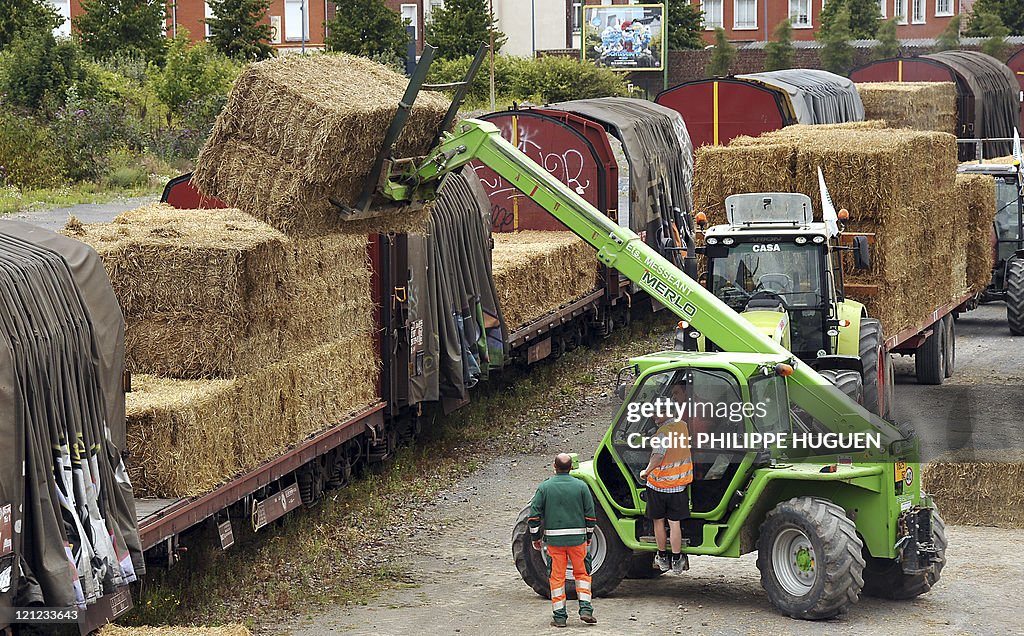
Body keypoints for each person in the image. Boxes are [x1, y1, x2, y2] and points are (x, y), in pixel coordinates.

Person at [528, 453, 598, 628]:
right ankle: (585, 609)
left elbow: (533, 516)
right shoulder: (581, 486)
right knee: (582, 574)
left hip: (554, 542)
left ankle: (560, 617)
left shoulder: (545, 488)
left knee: (557, 578)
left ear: (554, 466)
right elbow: (590, 517)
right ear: (572, 467)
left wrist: (535, 538)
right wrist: (588, 537)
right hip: (578, 541)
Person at [640, 381, 694, 574]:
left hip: (659, 486)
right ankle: (677, 558)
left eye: (657, 412)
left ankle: (662, 556)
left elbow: (658, 455)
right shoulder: (683, 426)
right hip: (678, 486)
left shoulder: (662, 433)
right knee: (675, 523)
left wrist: (646, 471)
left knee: (658, 522)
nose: (654, 415)